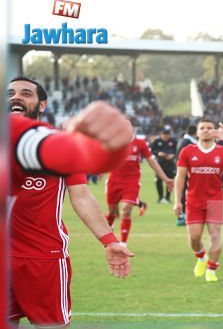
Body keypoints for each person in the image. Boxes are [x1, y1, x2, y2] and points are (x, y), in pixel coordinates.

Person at [9, 77, 134, 327]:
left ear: (42, 105)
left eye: (26, 93)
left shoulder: (56, 145)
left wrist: (109, 241)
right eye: (10, 93)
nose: (16, 97)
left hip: (43, 258)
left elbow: (82, 195)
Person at [173, 118, 223, 282]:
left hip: (215, 199)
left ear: (214, 132)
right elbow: (180, 177)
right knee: (194, 237)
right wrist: (177, 201)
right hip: (194, 199)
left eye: (209, 128)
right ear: (197, 132)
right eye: (202, 128)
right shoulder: (187, 151)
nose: (205, 130)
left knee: (215, 234)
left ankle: (212, 269)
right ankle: (202, 258)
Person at [104, 134, 174, 245]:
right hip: (114, 182)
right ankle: (109, 233)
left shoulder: (140, 143)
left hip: (131, 182)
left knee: (126, 209)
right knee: (112, 212)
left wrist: (165, 178)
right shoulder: (113, 141)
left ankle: (123, 243)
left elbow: (152, 162)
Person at [175, 124, 198, 226]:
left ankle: (184, 214)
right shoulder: (187, 143)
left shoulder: (183, 141)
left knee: (184, 191)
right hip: (185, 171)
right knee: (184, 192)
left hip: (183, 171)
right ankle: (183, 215)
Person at [151, 126, 178, 203]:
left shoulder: (173, 141)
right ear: (161, 134)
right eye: (164, 134)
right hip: (159, 164)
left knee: (170, 180)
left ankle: (167, 197)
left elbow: (177, 150)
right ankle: (160, 197)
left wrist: (173, 155)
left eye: (167, 134)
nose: (166, 136)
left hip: (170, 164)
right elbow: (152, 150)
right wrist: (158, 153)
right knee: (158, 180)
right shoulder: (156, 141)